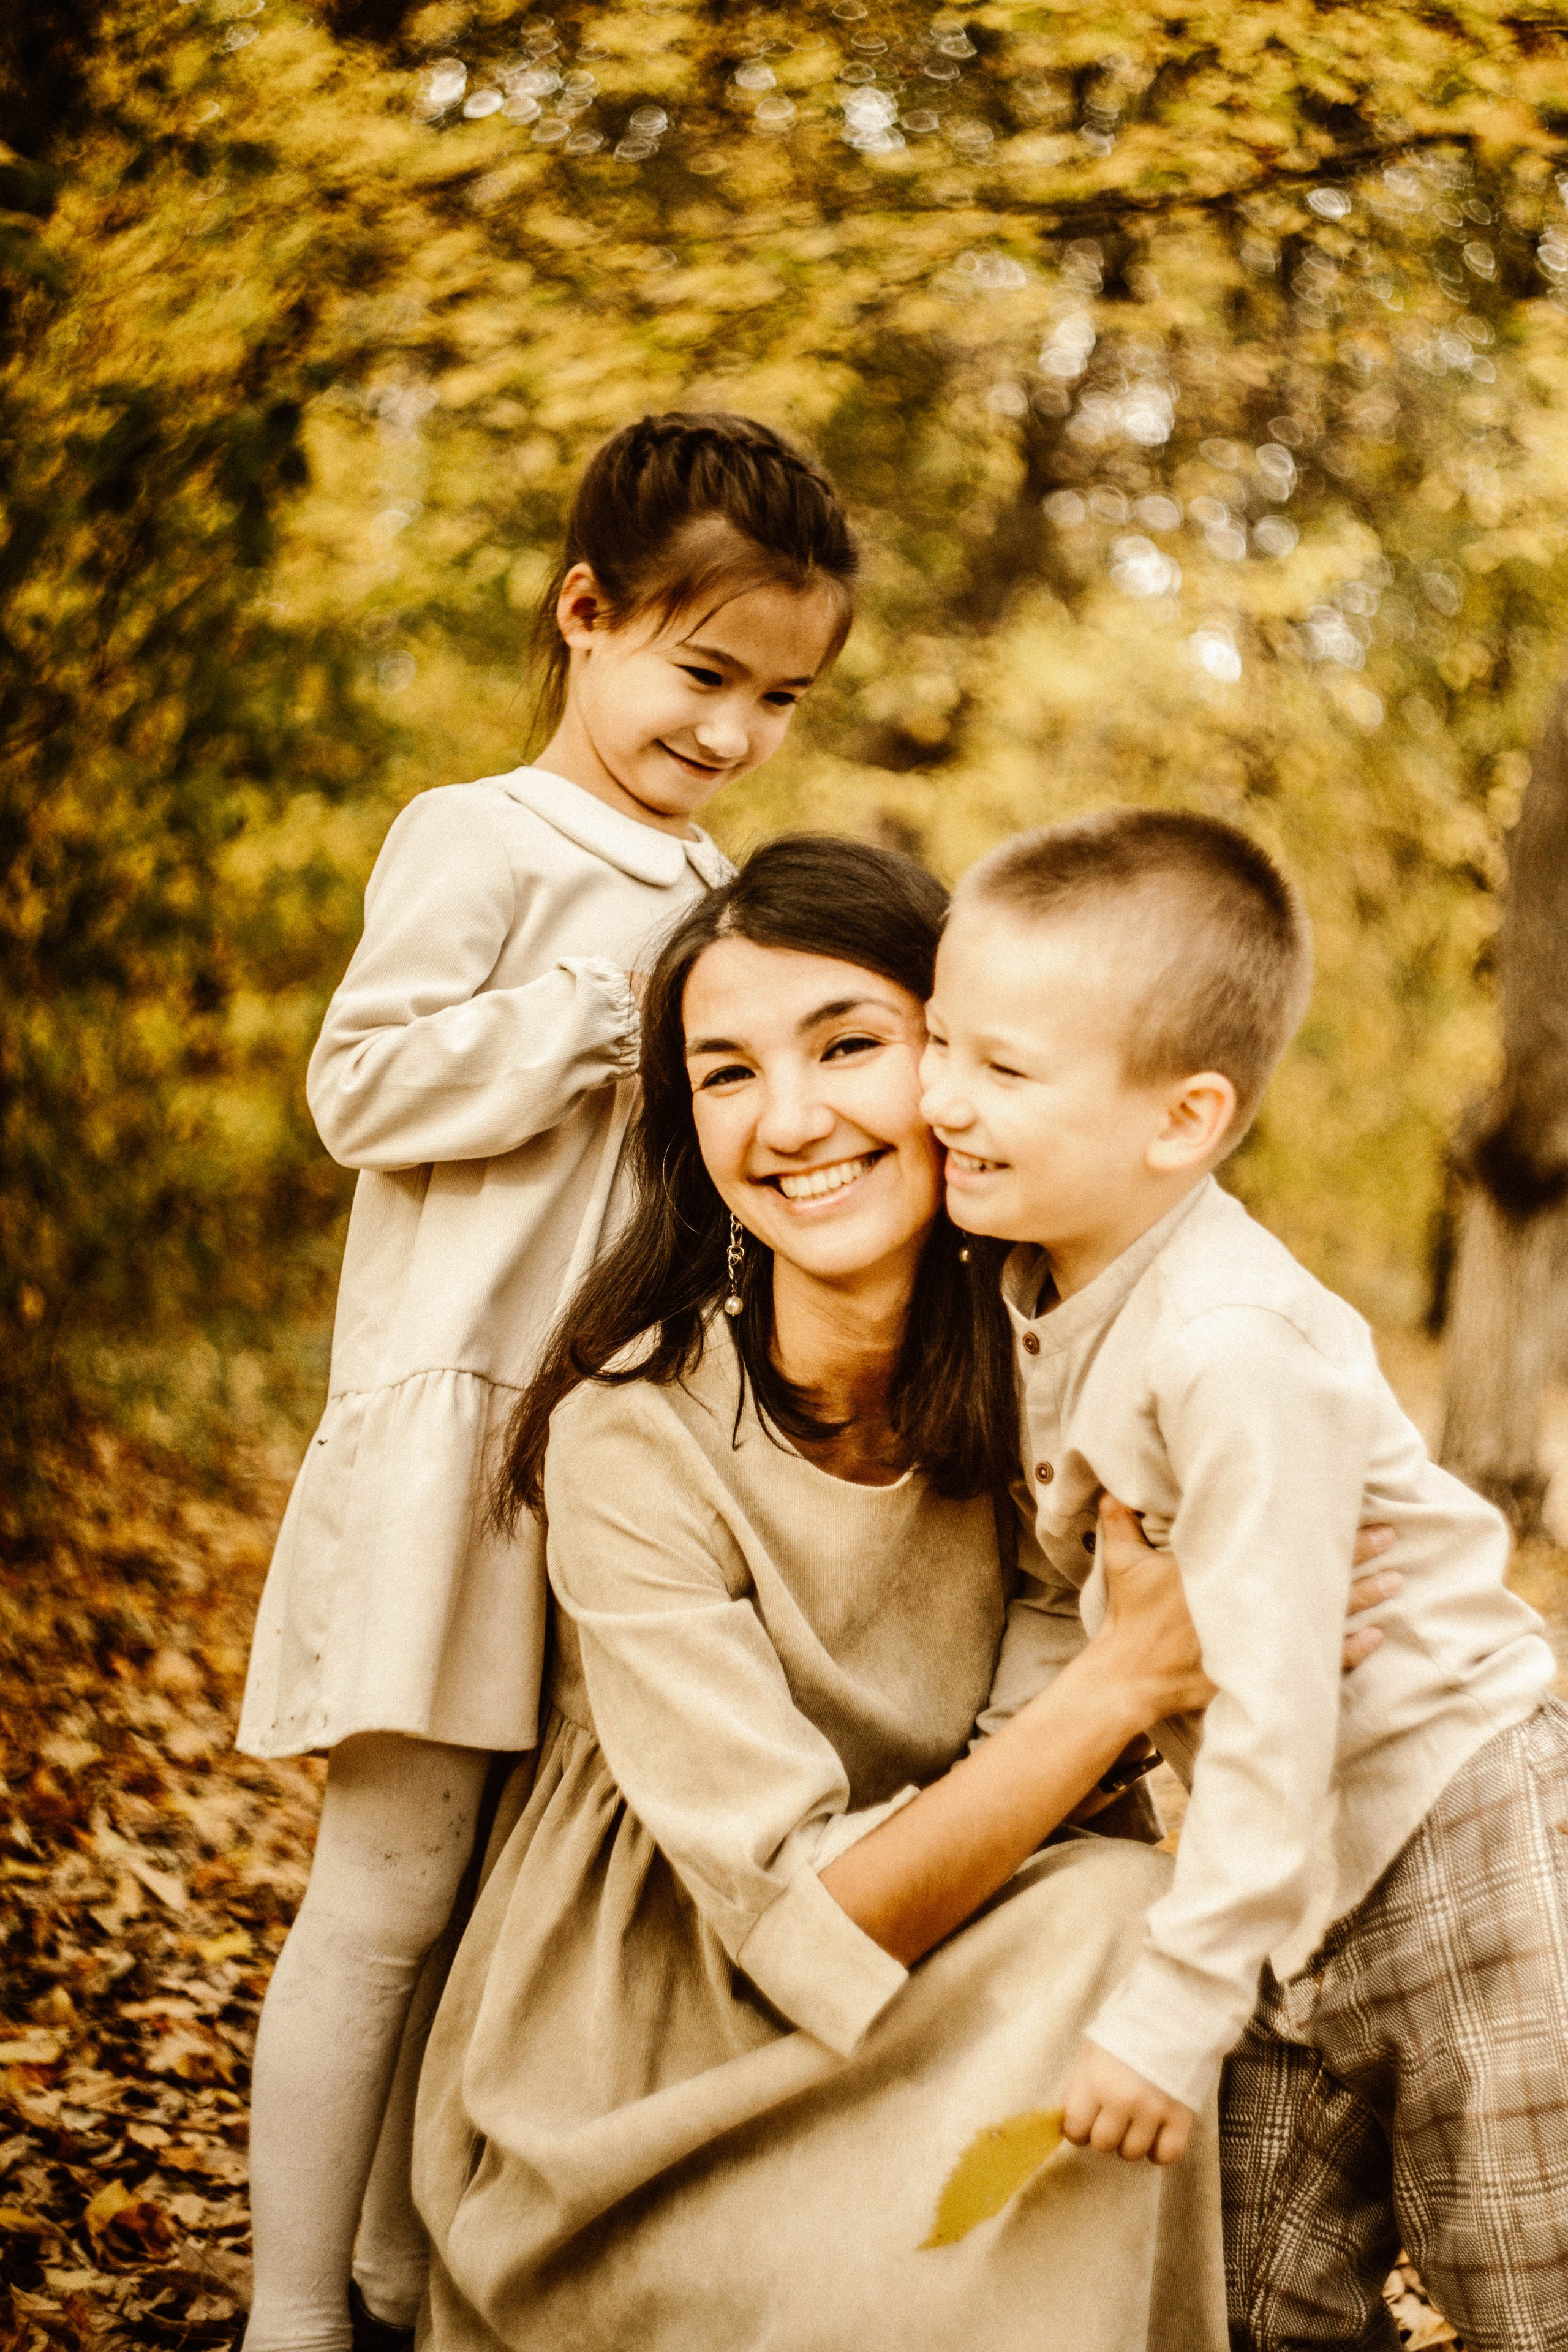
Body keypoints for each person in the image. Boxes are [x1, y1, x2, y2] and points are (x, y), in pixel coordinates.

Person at [411, 835, 1395, 2352]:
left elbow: (1068, 1790)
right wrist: (1125, 1681)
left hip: (963, 1955)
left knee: (1148, 1923)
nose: (789, 1118)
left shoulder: (1057, 1373)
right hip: (661, 2048)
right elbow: (799, 1918)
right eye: (723, 1073)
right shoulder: (638, 1431)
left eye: (849, 1045)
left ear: (958, 1070)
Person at [234, 415, 859, 2352]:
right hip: (458, 1431)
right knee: (390, 1898)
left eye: (781, 697)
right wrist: (619, 1001)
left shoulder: (726, 879)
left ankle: (416, 2277)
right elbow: (362, 1086)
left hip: (622, 1461)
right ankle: (285, 2313)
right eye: (703, 674)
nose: (735, 730)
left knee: (516, 1909)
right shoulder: (480, 835)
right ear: (585, 616)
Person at [921, 805, 1567, 2351]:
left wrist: (1166, 2007)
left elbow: (1274, 1699)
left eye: (1001, 1071)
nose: (939, 1099)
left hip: (1451, 1821)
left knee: (1523, 2275)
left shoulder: (1228, 1345)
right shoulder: (1033, 1291)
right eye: (939, 1043)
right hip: (1276, 1869)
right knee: (1248, 2295)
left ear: (1183, 1119)